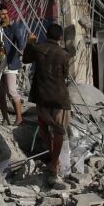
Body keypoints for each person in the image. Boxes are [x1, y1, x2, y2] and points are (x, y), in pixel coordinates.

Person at [22, 23, 71, 188]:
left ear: (46, 35)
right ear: (59, 37)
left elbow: (25, 59)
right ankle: (54, 163)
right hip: (59, 97)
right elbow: (64, 75)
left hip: (41, 95)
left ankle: (52, 160)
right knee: (59, 130)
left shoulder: (38, 48)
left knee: (43, 126)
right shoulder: (64, 54)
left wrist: (30, 42)